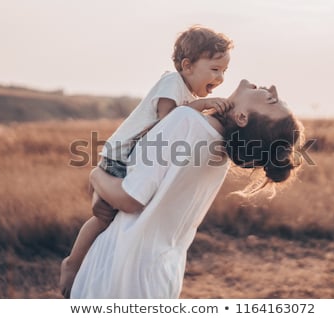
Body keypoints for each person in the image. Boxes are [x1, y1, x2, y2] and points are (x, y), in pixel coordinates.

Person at [69, 79, 305, 298]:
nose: (272, 88)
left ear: (241, 117)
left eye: (271, 101)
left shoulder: (187, 121)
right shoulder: (219, 151)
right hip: (162, 276)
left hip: (122, 270)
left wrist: (96, 175)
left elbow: (130, 198)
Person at [59, 25, 233, 298]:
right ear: (187, 66)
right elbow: (168, 122)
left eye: (224, 71)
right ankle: (72, 263)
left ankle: (99, 270)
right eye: (215, 69)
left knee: (118, 222)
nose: (221, 77)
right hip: (120, 156)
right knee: (103, 218)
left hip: (134, 158)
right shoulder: (172, 83)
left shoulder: (186, 93)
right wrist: (200, 107)